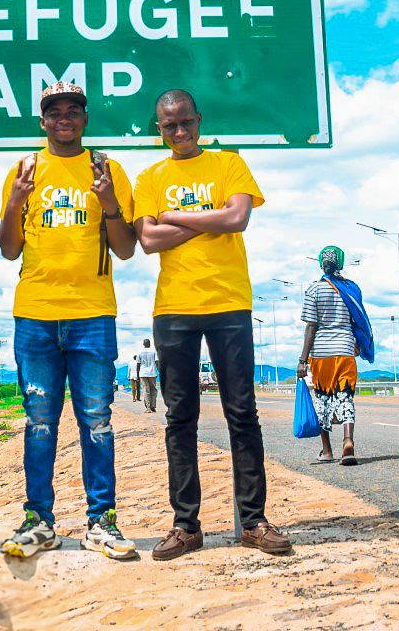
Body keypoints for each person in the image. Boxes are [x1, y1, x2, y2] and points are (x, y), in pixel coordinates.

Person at [132, 89, 293, 560]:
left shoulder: (228, 163)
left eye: (186, 122)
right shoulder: (151, 175)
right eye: (169, 125)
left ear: (199, 120)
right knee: (180, 418)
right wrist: (210, 219)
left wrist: (174, 215)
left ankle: (254, 521)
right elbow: (148, 239)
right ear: (157, 128)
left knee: (242, 413)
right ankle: (186, 526)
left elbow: (238, 218)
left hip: (229, 303)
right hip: (175, 309)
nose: (179, 132)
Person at [0, 80, 138, 561]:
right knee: (39, 423)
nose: (63, 118)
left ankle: (102, 521)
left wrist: (109, 202)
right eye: (53, 111)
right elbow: (8, 247)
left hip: (93, 314)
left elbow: (124, 248)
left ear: (84, 117)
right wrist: (16, 199)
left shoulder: (108, 168)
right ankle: (39, 521)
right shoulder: (25, 168)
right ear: (42, 120)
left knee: (96, 421)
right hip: (35, 314)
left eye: (72, 110)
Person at [297, 246, 363, 466]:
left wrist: (302, 360)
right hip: (345, 349)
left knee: (323, 399)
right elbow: (358, 322)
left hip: (322, 353)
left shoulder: (314, 290)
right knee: (345, 396)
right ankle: (348, 442)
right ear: (341, 263)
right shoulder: (352, 289)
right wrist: (357, 344)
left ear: (320, 263)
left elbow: (311, 326)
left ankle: (327, 451)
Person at [134, 338, 159, 413]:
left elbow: (138, 364)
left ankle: (148, 407)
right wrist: (159, 371)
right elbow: (157, 363)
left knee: (146, 390)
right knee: (153, 389)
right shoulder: (154, 351)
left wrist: (137, 375)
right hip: (152, 373)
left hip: (143, 373)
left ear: (143, 344)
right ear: (150, 344)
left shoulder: (140, 352)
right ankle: (153, 406)